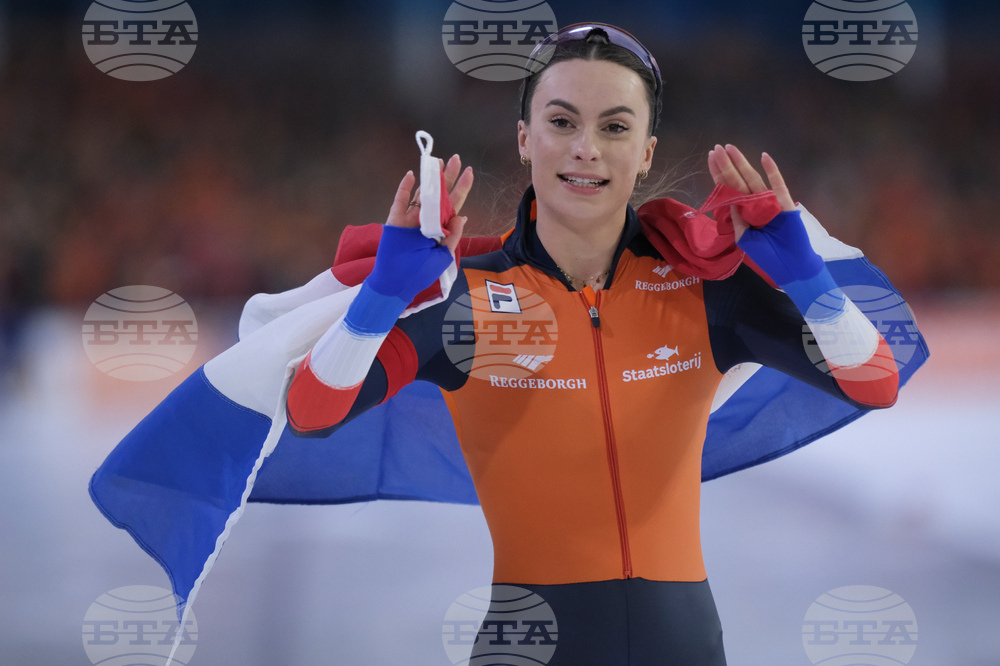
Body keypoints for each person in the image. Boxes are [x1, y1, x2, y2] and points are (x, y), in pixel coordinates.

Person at [279, 22, 900, 665]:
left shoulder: (708, 290)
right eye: (562, 121)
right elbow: (311, 412)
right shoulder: (460, 301)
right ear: (525, 138)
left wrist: (807, 277)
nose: (586, 149)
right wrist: (382, 297)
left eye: (615, 127)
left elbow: (875, 382)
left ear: (648, 151)